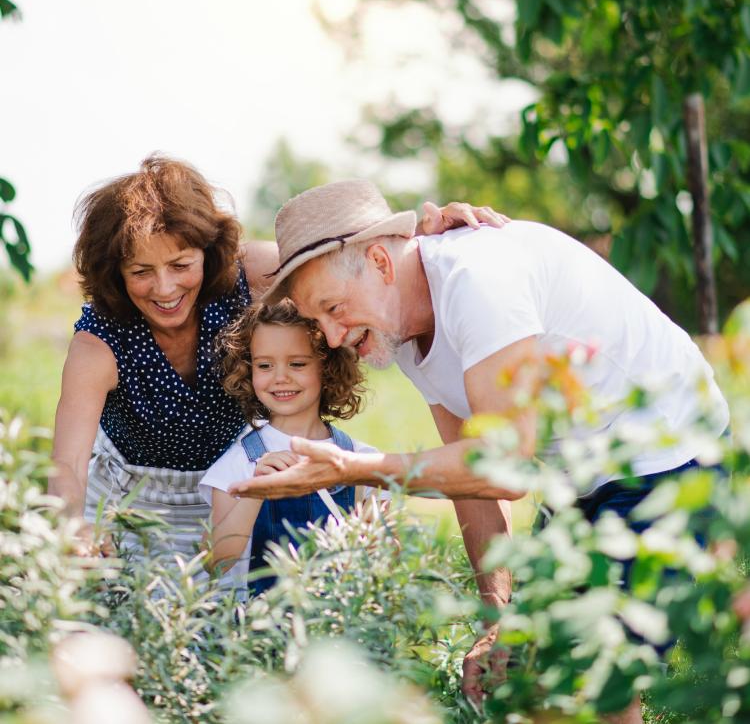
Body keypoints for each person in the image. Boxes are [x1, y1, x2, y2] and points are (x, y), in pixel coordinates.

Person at [228, 179, 730, 723]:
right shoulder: (400, 326)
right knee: (529, 674)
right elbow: (469, 477)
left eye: (332, 308)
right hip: (584, 474)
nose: (328, 334)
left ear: (380, 260)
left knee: (594, 677)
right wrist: (498, 620)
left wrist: (356, 469)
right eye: (316, 319)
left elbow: (505, 464)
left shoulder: (478, 282)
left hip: (671, 454)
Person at [48, 155, 504, 565]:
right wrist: (73, 529)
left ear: (207, 253)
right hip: (133, 504)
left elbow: (343, 265)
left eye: (181, 265)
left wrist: (423, 245)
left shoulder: (252, 275)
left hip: (231, 491)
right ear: (116, 273)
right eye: (141, 272)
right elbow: (67, 464)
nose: (165, 289)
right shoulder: (99, 343)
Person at [198, 298, 386, 596]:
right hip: (264, 633)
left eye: (297, 363)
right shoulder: (238, 464)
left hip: (341, 630)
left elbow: (387, 562)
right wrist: (255, 491)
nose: (280, 377)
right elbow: (216, 562)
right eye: (264, 365)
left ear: (328, 368)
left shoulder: (361, 461)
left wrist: (370, 538)